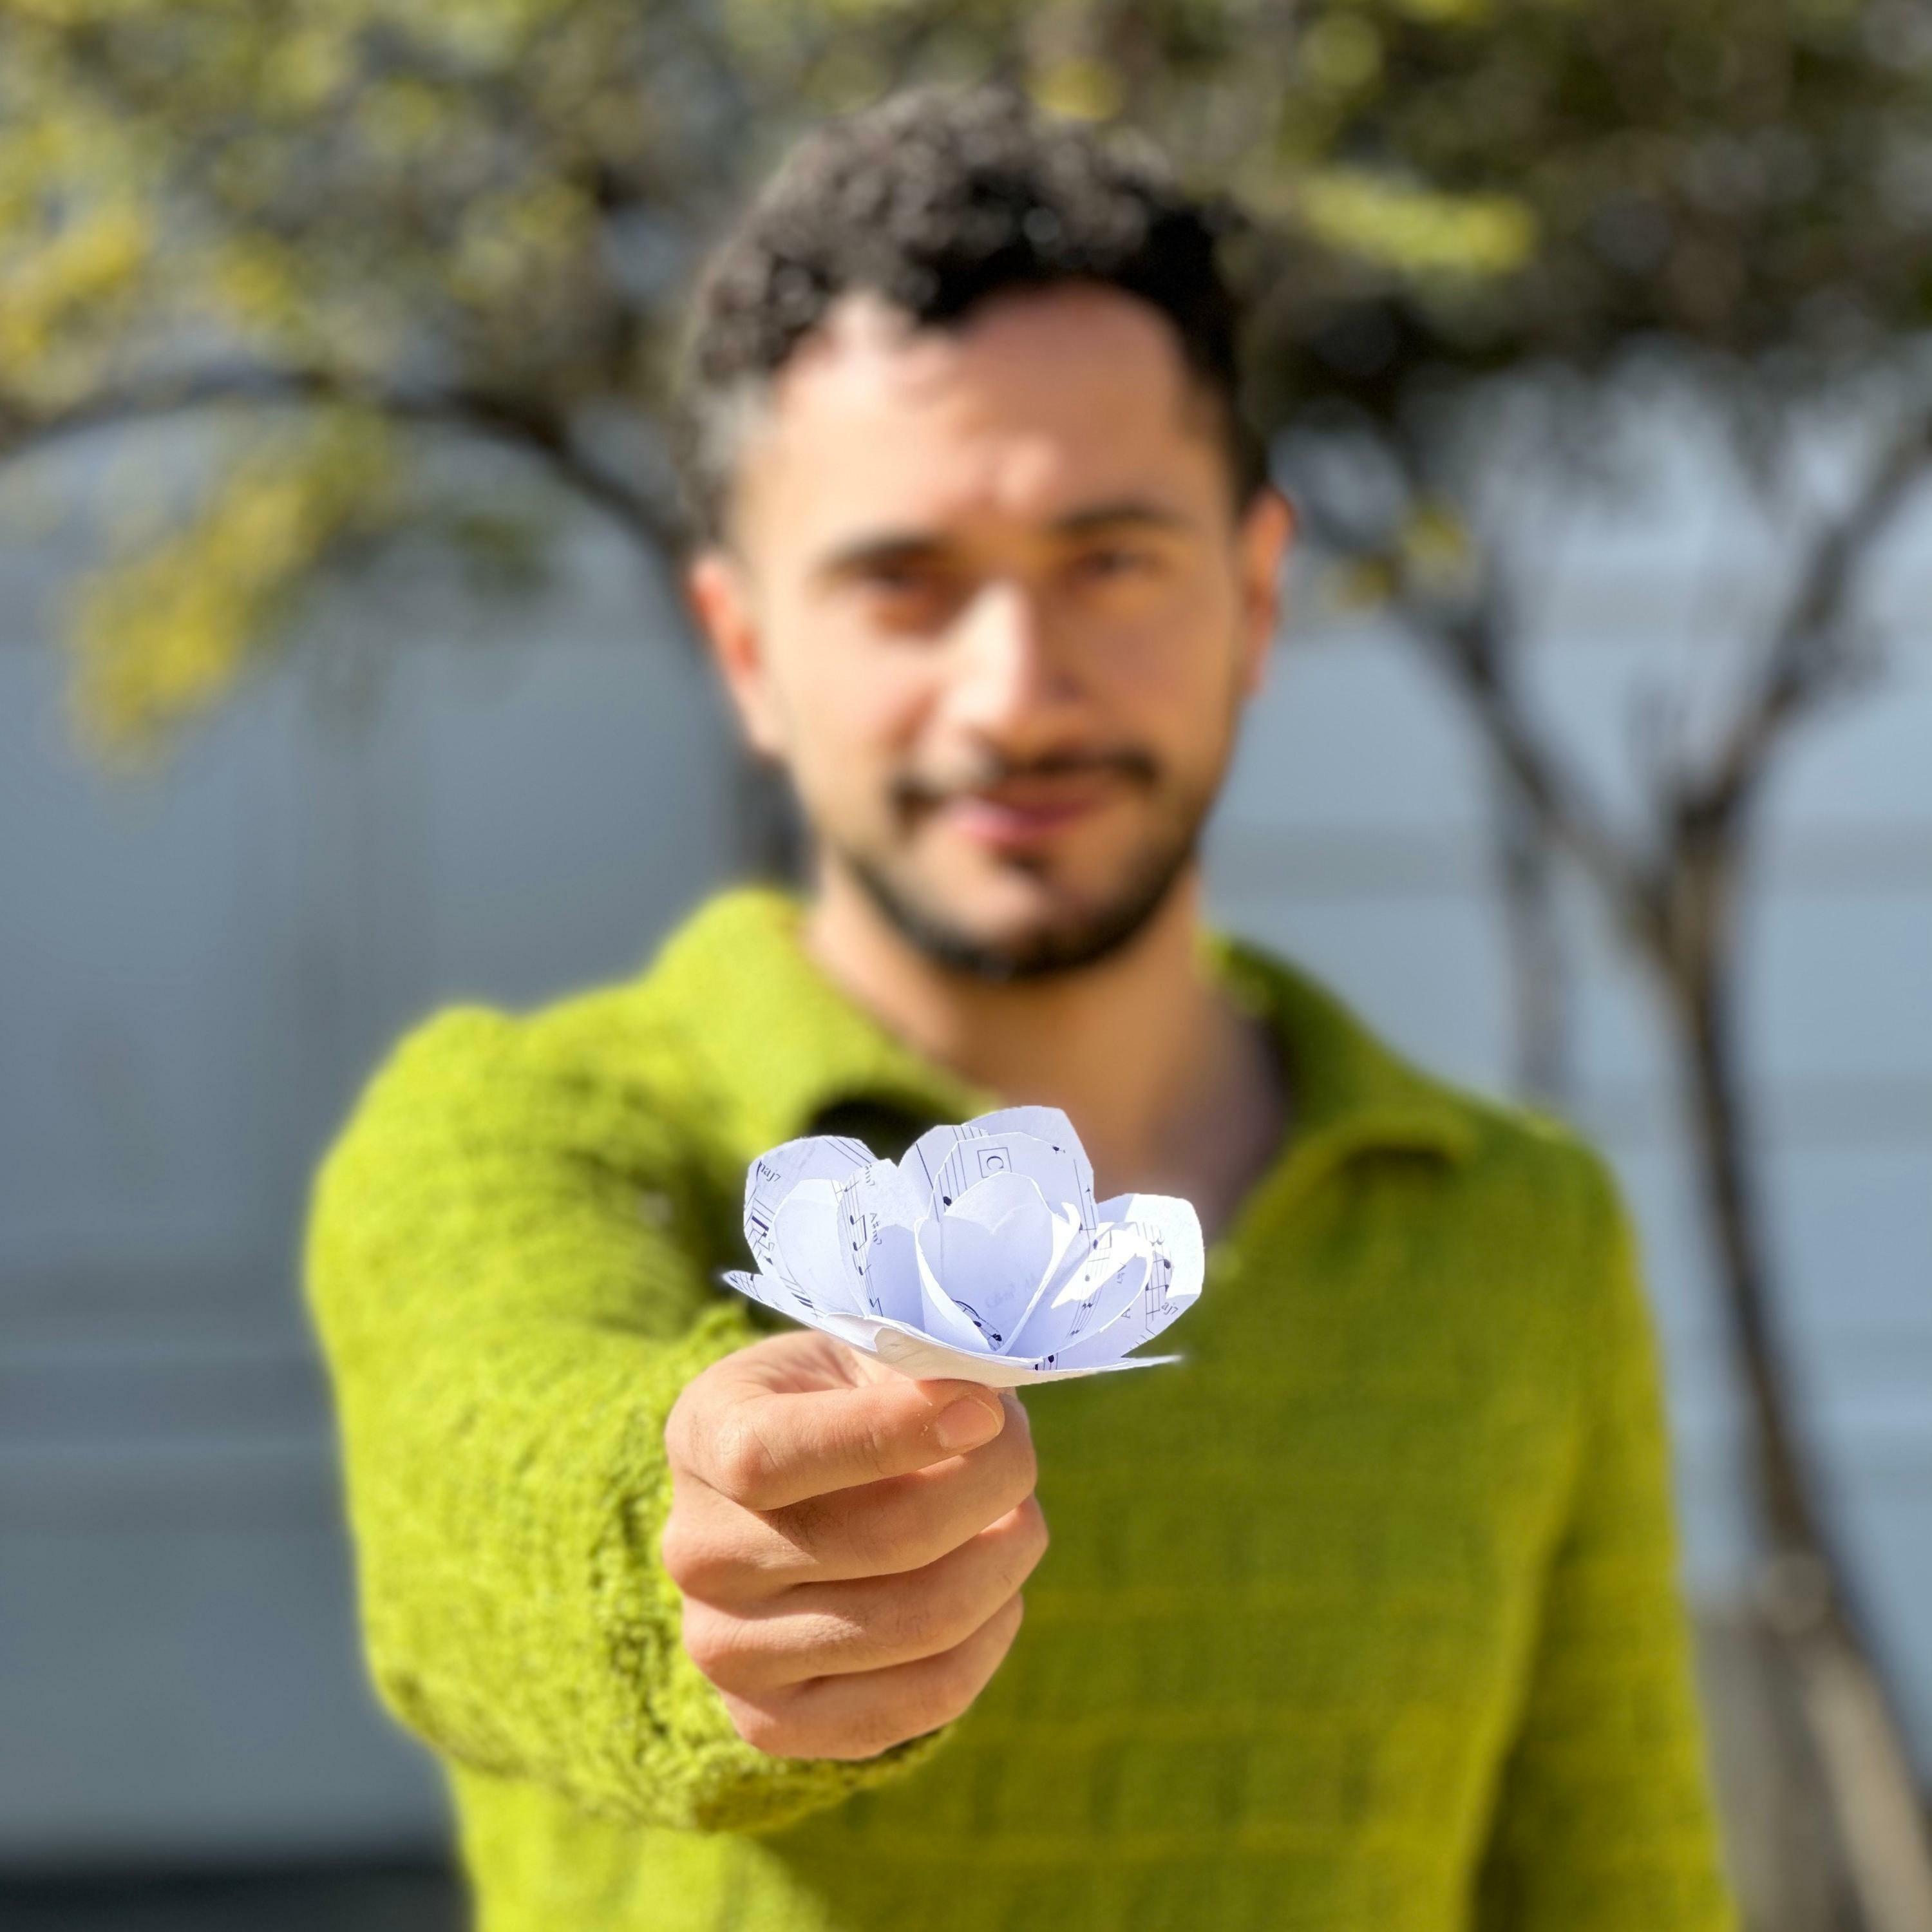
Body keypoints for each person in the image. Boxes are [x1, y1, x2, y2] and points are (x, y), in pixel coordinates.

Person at [304, 81, 1737, 1932]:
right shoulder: (518, 1132)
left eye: (1108, 561)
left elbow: (1619, 1881)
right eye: (904, 583)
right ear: (746, 648)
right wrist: (703, 1558)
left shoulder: (1516, 1235)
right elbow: (480, 1483)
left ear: (1257, 594)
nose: (1015, 692)